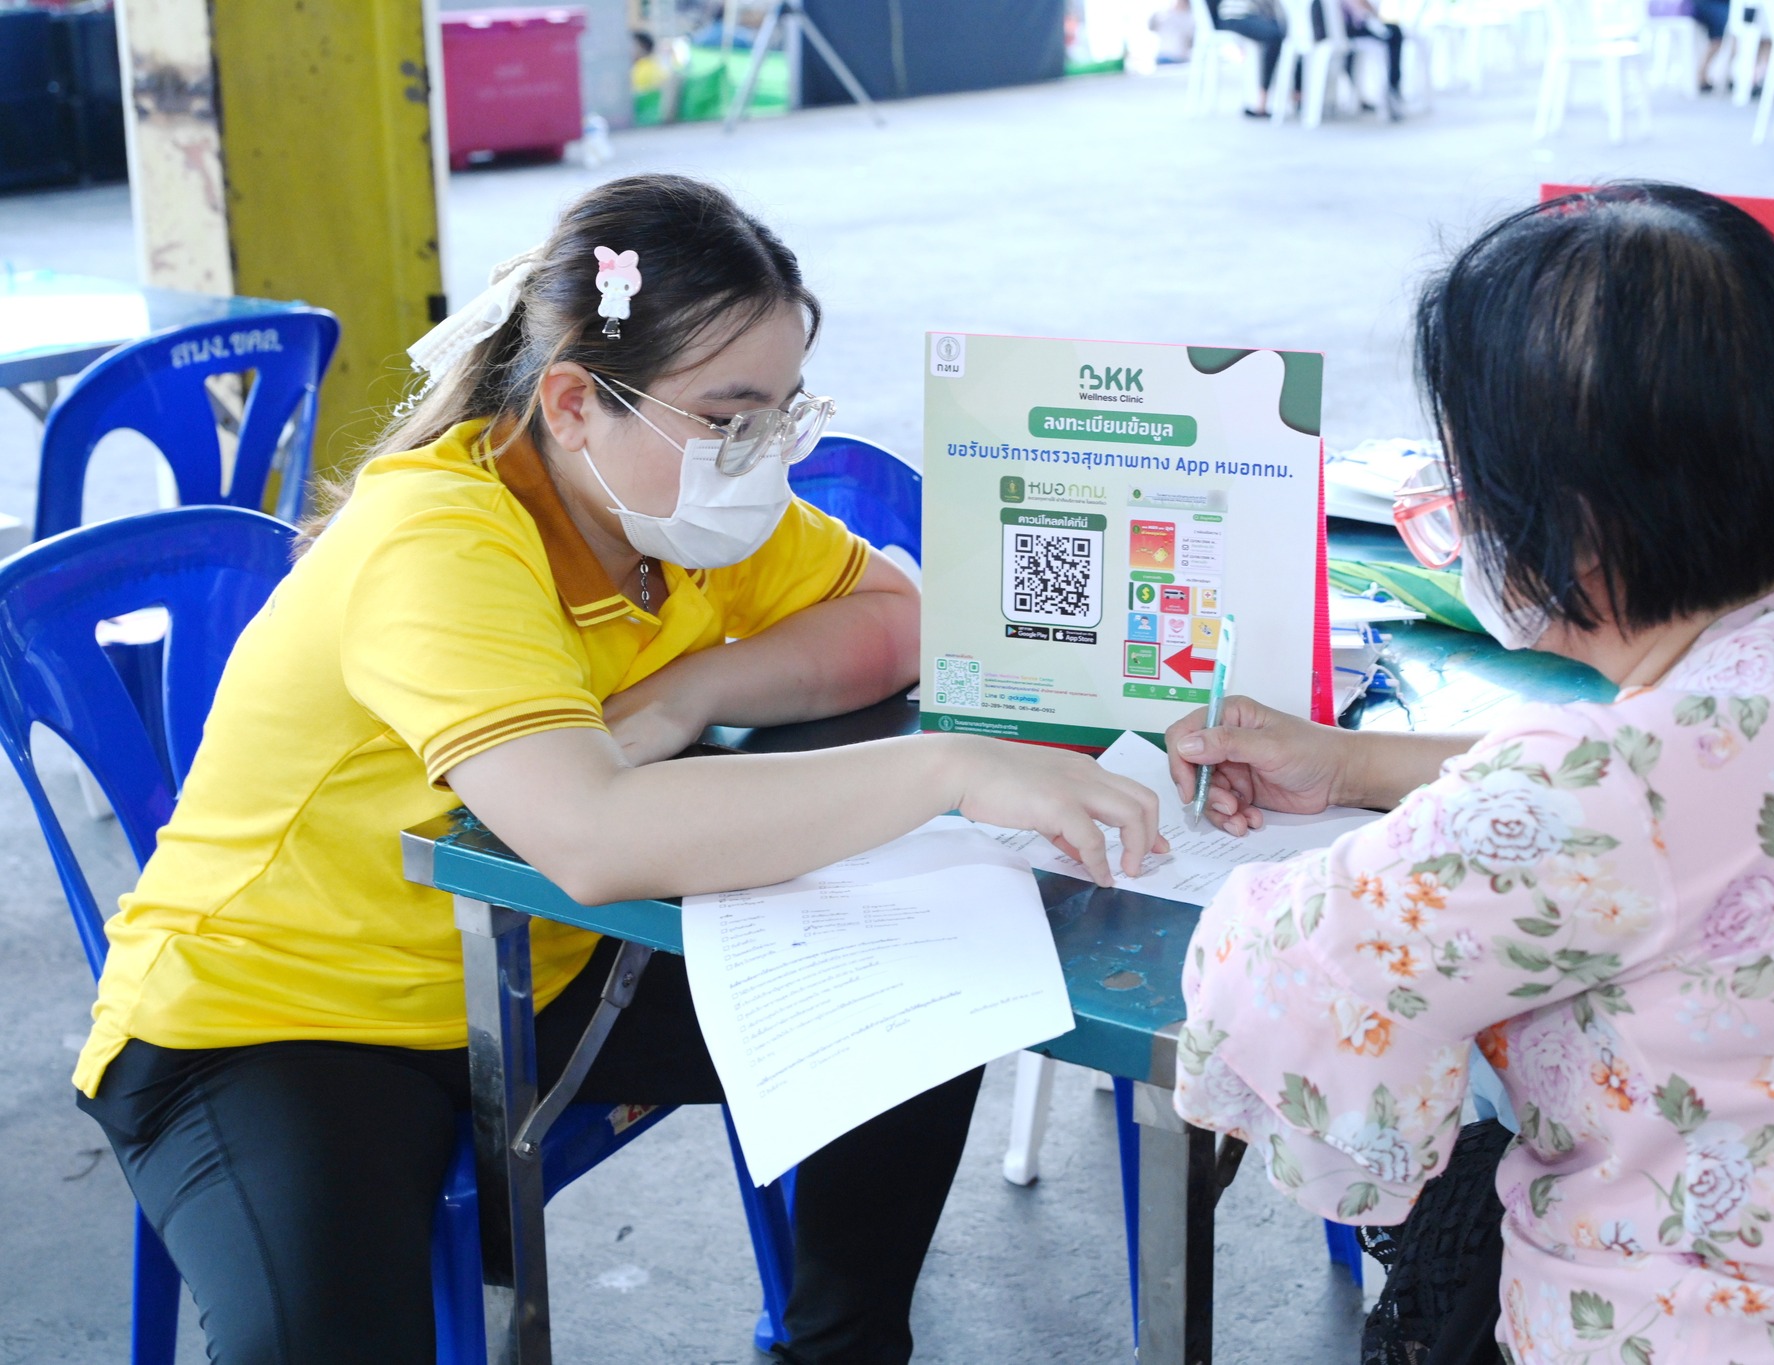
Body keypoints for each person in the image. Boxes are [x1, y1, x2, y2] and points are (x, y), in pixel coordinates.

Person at [72, 173, 1165, 1365]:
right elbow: (591, 837)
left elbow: (892, 623)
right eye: (728, 416)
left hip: (527, 970)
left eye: (781, 414)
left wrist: (692, 689)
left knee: (929, 990)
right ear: (574, 401)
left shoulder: (667, 519)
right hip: (278, 1019)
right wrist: (945, 769)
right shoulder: (439, 539)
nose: (760, 455)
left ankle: (839, 1348)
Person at [1165, 182, 1774, 1363]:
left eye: (1468, 478)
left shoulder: (1597, 796)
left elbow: (1287, 970)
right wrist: (1354, 763)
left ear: (1570, 529)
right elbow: (1689, 798)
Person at [1209, 0, 1290, 116]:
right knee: (1275, 36)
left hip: (1250, 15)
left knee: (1284, 32)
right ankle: (1262, 101)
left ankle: (1295, 93)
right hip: (1234, 15)